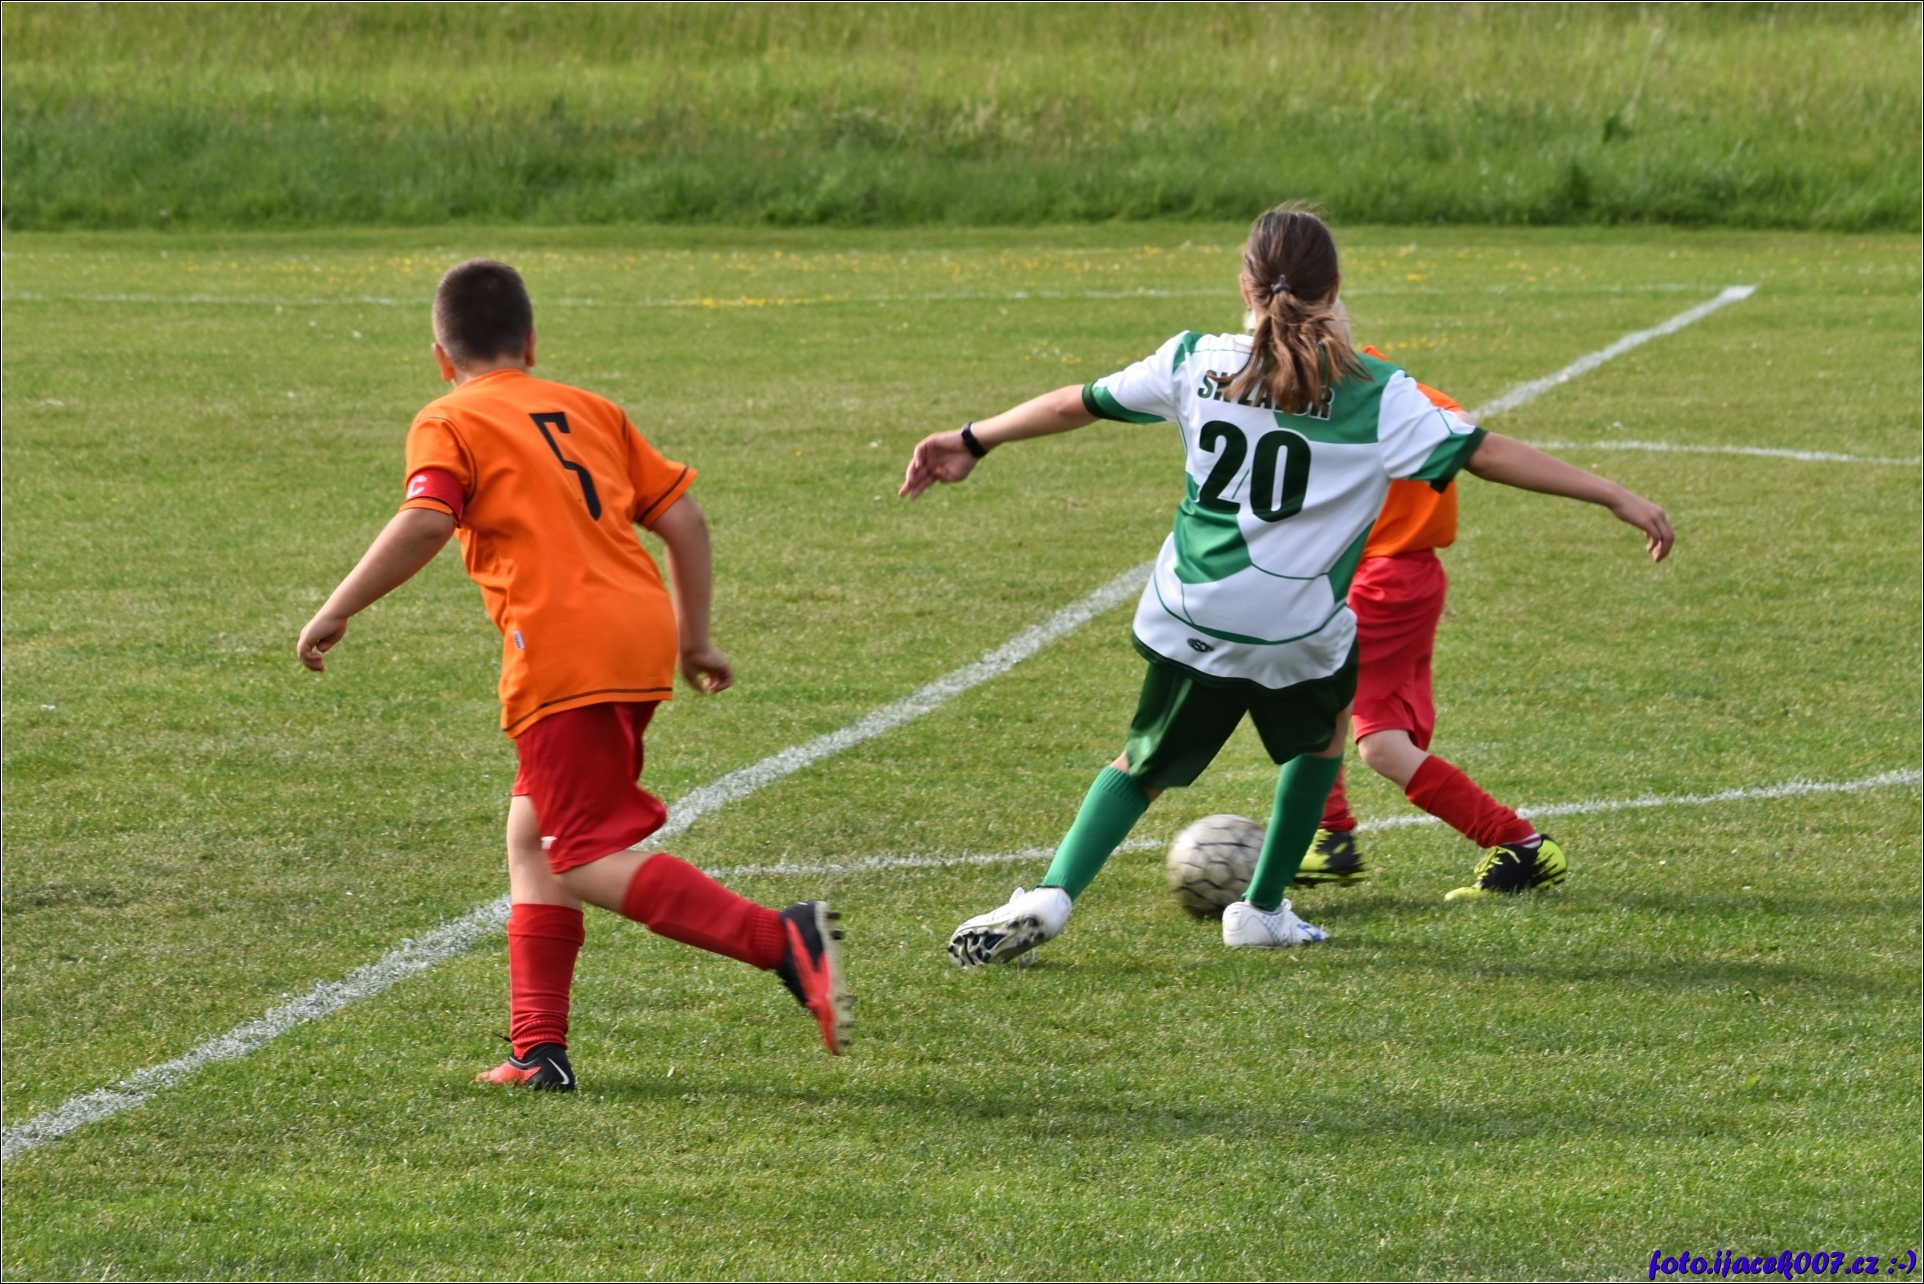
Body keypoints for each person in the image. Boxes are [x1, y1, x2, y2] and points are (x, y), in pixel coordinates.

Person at [900, 205, 1672, 967]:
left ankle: (1051, 894)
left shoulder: (1194, 359)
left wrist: (972, 439)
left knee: (1140, 767)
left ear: (1245, 284)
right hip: (1294, 627)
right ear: (1335, 289)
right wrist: (1612, 495)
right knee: (1326, 732)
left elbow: (1079, 402)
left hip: (1188, 609)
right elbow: (1485, 452)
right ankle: (1263, 910)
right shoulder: (1378, 391)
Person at [297, 259, 848, 1088]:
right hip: (637, 631)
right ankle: (537, 1051)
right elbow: (685, 520)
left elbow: (427, 519)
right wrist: (695, 640)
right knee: (534, 836)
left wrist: (337, 607)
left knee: (578, 856)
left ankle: (782, 940)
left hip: (562, 650)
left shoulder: (448, 418)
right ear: (531, 342)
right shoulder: (593, 409)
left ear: (441, 357)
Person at [1292, 358, 1563, 900]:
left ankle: (1329, 834)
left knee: (1306, 688)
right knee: (1383, 745)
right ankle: (1520, 845)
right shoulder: (1304, 389)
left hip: (1385, 577)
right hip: (1382, 576)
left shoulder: (1382, 389)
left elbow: (1463, 429)